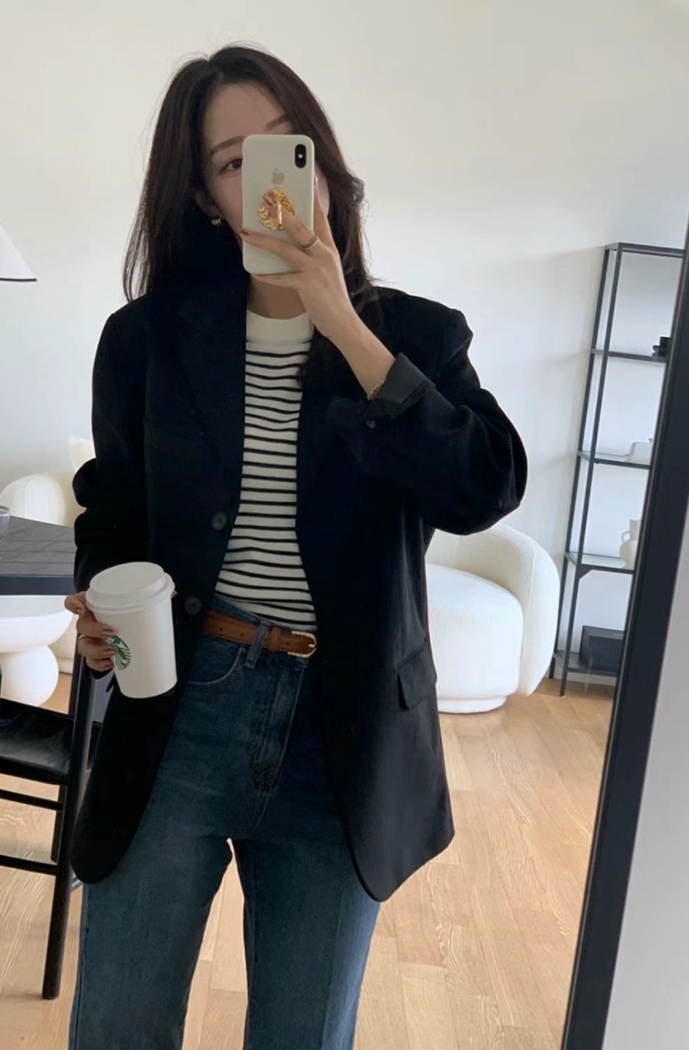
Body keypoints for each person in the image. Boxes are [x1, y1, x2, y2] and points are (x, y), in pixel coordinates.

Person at [64, 44, 526, 1050]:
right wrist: (100, 599)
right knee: (117, 1026)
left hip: (341, 726)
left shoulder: (414, 337)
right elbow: (114, 505)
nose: (268, 176)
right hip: (181, 704)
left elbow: (482, 487)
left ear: (322, 162)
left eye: (287, 146)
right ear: (205, 196)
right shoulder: (147, 339)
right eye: (235, 161)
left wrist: (345, 328)